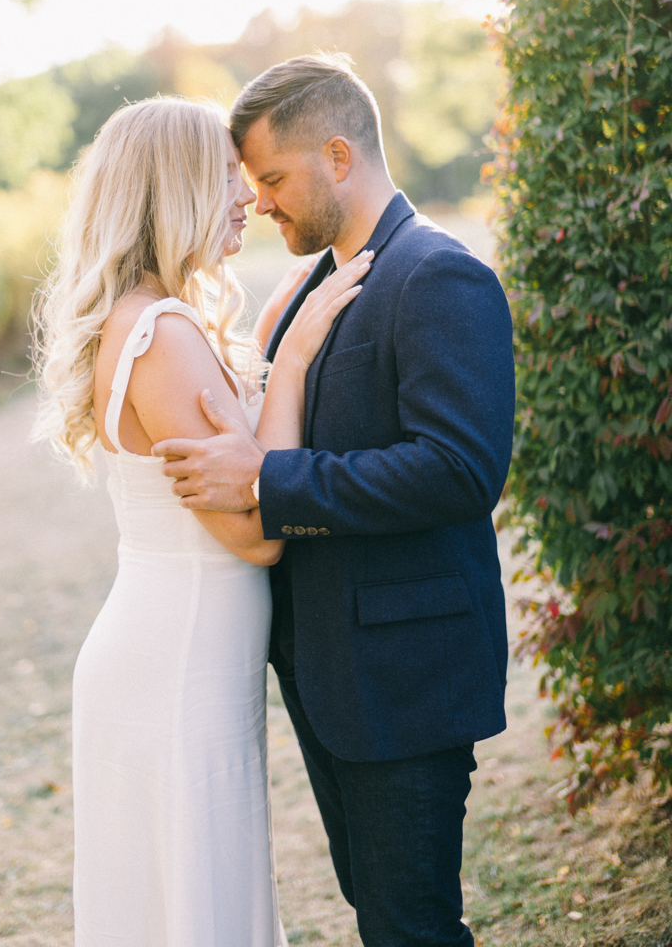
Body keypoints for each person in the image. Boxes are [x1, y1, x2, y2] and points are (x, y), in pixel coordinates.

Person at [152, 55, 516, 947]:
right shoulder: (316, 282)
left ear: (339, 155)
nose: (262, 203)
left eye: (273, 179)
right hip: (330, 672)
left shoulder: (436, 275)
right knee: (379, 914)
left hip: (407, 672)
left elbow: (459, 471)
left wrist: (266, 482)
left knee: (412, 925)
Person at [32, 95, 372, 947]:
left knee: (185, 904)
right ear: (176, 187)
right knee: (193, 910)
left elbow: (244, 455)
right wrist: (291, 356)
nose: (248, 198)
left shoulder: (150, 320)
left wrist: (263, 337)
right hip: (175, 667)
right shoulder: (163, 330)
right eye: (227, 175)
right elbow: (255, 531)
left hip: (176, 657)